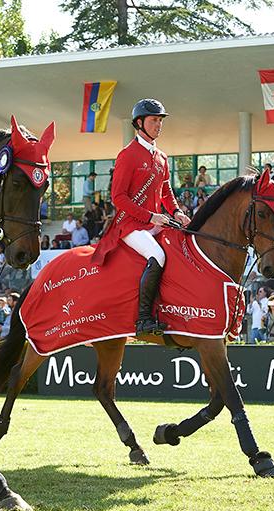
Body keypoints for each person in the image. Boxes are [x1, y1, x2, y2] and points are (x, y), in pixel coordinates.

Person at [92, 98, 189, 335]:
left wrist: (176, 211)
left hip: (154, 222)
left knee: (180, 246)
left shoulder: (162, 157)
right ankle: (144, 319)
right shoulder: (127, 155)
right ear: (139, 123)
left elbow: (166, 191)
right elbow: (118, 197)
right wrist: (150, 216)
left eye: (160, 120)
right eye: (154, 120)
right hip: (131, 226)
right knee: (157, 255)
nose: (159, 125)